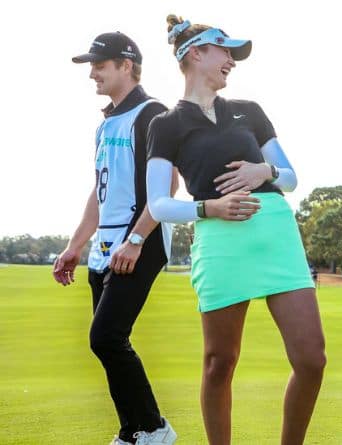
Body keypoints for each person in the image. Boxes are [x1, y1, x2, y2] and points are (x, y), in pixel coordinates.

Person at [146, 15, 325, 444]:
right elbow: (159, 204)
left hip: (275, 234)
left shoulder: (250, 111)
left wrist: (263, 169)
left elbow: (291, 177)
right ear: (194, 54)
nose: (231, 61)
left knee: (311, 359)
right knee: (219, 362)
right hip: (221, 240)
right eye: (224, 51)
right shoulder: (165, 125)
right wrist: (211, 207)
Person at [52, 31, 177, 445]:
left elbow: (167, 186)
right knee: (108, 342)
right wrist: (75, 245)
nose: (92, 74)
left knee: (105, 337)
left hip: (139, 241)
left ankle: (155, 428)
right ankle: (132, 431)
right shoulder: (106, 124)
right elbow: (100, 192)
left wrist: (137, 240)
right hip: (106, 246)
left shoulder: (153, 114)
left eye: (99, 66)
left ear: (127, 66)